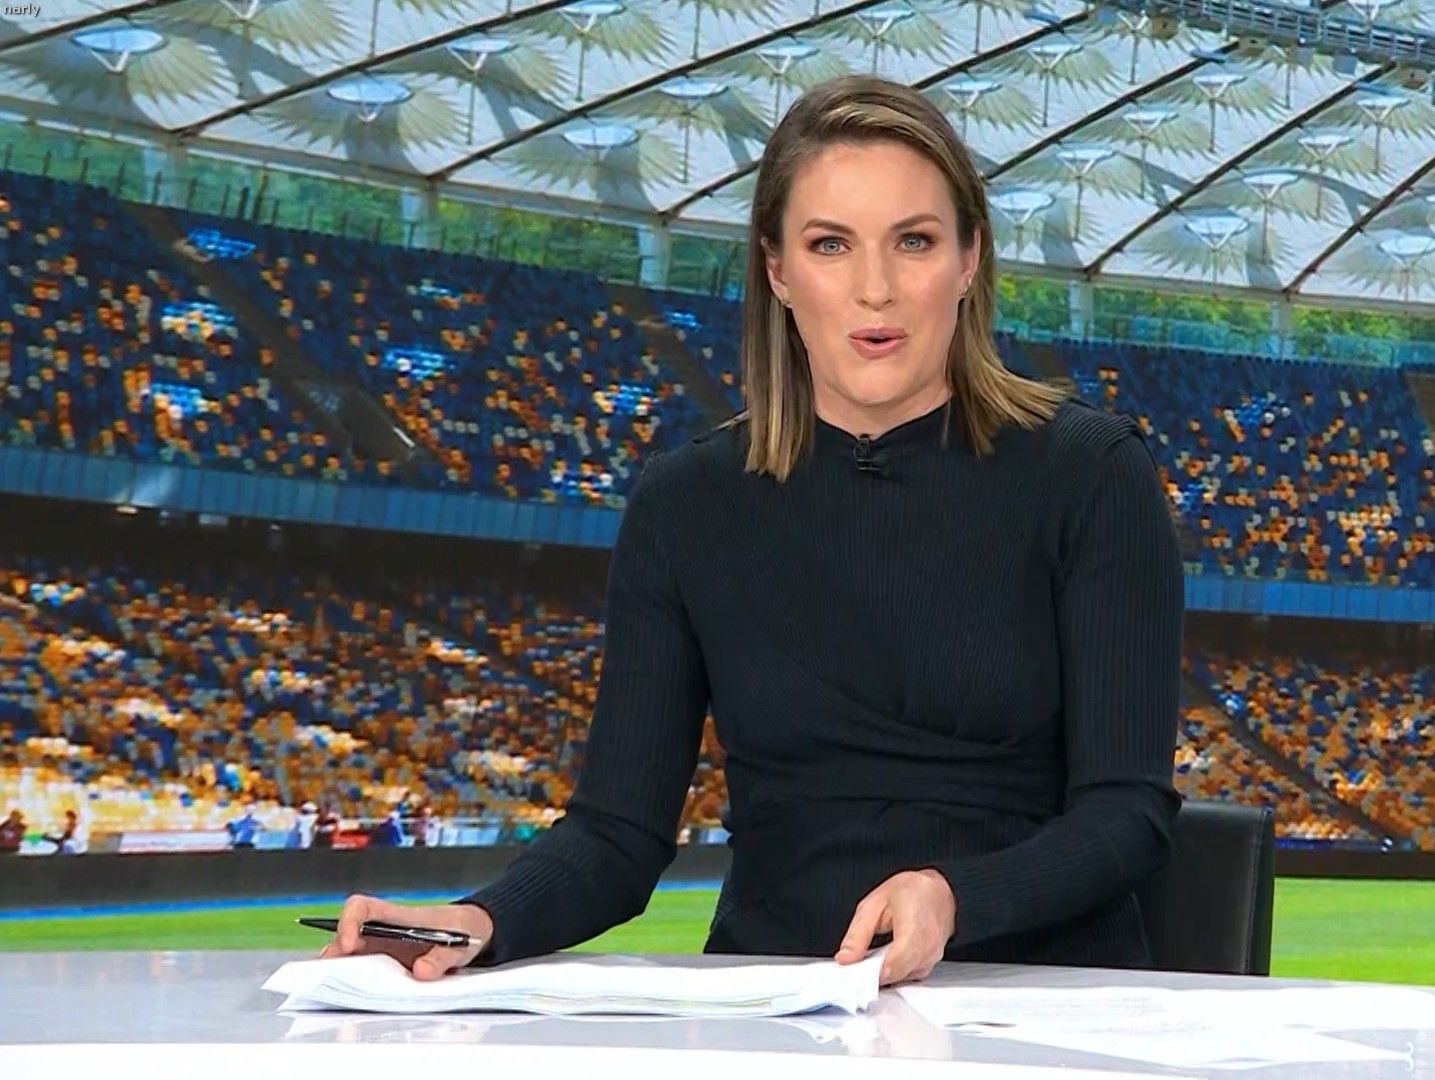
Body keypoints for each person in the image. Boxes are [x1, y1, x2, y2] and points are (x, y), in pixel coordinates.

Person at [320, 74, 1182, 989]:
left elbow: (1126, 815)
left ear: (969, 260)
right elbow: (617, 833)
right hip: (779, 1001)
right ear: (777, 271)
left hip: (1039, 1003)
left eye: (915, 241)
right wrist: (478, 920)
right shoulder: (685, 502)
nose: (876, 289)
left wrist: (953, 897)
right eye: (830, 245)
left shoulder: (1093, 475)